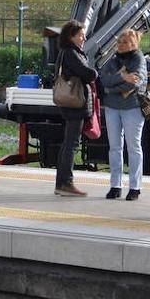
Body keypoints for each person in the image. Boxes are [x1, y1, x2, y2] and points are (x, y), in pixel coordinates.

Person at [99, 29, 147, 200]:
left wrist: (113, 85)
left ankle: (135, 187)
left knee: (133, 148)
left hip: (132, 108)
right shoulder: (112, 60)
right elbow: (104, 80)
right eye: (119, 42)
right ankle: (115, 185)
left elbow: (135, 83)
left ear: (134, 43)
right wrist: (122, 78)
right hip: (112, 108)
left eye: (125, 42)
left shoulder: (139, 59)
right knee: (114, 148)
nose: (120, 45)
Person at [54, 20, 97, 197]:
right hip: (75, 103)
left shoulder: (67, 52)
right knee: (72, 143)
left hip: (71, 103)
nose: (84, 37)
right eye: (80, 34)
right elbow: (88, 74)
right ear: (71, 36)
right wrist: (94, 72)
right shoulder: (72, 53)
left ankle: (61, 183)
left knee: (68, 143)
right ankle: (66, 183)